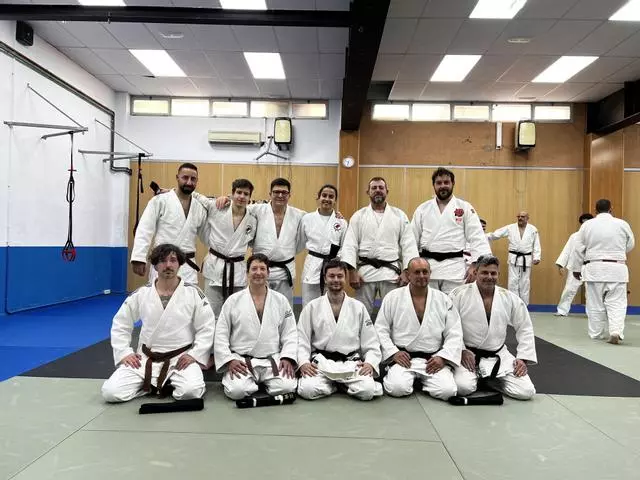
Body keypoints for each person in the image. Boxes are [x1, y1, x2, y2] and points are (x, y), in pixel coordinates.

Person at [102, 244, 215, 403]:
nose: (168, 265)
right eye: (162, 261)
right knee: (110, 392)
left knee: (191, 392)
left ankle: (160, 384)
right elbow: (121, 323)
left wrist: (195, 354)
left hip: (180, 359)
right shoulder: (142, 294)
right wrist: (124, 352)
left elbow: (207, 327)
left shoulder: (194, 293)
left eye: (173, 260)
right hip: (145, 359)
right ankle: (160, 384)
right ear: (155, 265)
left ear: (179, 264)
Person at [450, 255, 537, 400]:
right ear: (475, 272)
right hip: (467, 356)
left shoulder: (508, 297)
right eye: (484, 272)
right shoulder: (459, 294)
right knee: (463, 388)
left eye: (493, 273)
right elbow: (450, 326)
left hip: (498, 355)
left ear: (498, 274)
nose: (489, 277)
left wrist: (523, 358)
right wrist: (462, 350)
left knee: (526, 391)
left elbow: (525, 327)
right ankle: (482, 378)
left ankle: (488, 381)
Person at [375, 257, 462, 401]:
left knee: (448, 391)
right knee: (397, 389)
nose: (421, 276)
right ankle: (412, 379)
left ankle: (419, 381)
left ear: (430, 273)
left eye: (425, 272)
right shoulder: (393, 297)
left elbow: (454, 332)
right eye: (417, 272)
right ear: (408, 274)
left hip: (431, 360)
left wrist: (442, 357)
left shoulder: (443, 299)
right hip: (404, 359)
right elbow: (380, 329)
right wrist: (393, 353)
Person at [213, 254, 298, 400]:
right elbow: (221, 334)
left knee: (287, 387)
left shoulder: (281, 300)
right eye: (254, 269)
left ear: (268, 273)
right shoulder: (233, 301)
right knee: (237, 391)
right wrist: (229, 360)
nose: (258, 272)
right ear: (247, 273)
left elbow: (290, 332)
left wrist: (287, 357)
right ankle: (252, 382)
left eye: (262, 269)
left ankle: (258, 383)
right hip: (242, 361)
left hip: (272, 360)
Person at [297, 259, 383, 401]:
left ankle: (335, 385)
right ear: (325, 278)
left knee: (367, 391)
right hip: (322, 362)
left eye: (340, 276)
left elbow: (370, 340)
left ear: (345, 278)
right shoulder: (312, 307)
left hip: (350, 363)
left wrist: (370, 362)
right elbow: (302, 339)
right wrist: (304, 362)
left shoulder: (358, 307)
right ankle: (339, 386)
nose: (336, 280)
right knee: (307, 390)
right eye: (331, 276)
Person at [217, 178, 305, 307]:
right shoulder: (256, 210)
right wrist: (226, 199)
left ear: (289, 195)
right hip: (260, 270)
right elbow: (239, 205)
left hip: (285, 271)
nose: (280, 195)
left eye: (284, 192)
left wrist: (335, 215)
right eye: (276, 192)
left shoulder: (299, 215)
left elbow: (314, 222)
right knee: (257, 306)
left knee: (284, 307)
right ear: (270, 194)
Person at [340, 177, 418, 315]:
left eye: (381, 188)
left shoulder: (399, 215)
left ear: (387, 191)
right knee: (361, 314)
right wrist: (352, 272)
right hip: (364, 274)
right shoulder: (358, 216)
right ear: (368, 192)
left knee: (393, 313)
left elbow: (409, 244)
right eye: (374, 188)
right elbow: (350, 245)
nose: (378, 190)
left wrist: (407, 271)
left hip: (391, 273)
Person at [412, 168, 491, 294]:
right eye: (439, 183)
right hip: (427, 269)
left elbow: (477, 237)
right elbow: (411, 240)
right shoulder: (422, 209)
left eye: (446, 182)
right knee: (429, 304)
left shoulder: (464, 207)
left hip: (454, 270)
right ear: (433, 185)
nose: (443, 186)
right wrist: (411, 266)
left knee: (453, 304)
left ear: (453, 183)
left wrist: (476, 264)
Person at [569, 199, 635, 344]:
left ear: (595, 210)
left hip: (594, 267)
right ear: (611, 208)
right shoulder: (622, 224)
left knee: (595, 303)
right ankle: (616, 331)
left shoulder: (587, 225)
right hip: (617, 268)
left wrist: (576, 268)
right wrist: (618, 251)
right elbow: (630, 244)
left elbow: (578, 248)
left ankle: (597, 333)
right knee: (617, 303)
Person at [130, 163, 207, 285]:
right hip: (163, 262)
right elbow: (145, 229)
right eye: (185, 177)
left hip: (187, 267)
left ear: (197, 181)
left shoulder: (199, 208)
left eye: (193, 179)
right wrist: (138, 257)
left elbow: (207, 237)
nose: (189, 182)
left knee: (188, 296)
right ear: (177, 178)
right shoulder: (160, 201)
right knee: (160, 296)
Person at [192, 178, 257, 318]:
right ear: (232, 194)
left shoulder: (252, 219)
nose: (242, 196)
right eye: (239, 192)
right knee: (211, 312)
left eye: (246, 194)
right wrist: (171, 191)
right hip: (215, 268)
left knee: (236, 313)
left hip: (237, 271)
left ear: (249, 198)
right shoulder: (217, 207)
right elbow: (195, 195)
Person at [298, 184, 348, 307]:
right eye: (324, 195)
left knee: (332, 304)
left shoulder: (341, 222)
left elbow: (345, 246)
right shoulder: (307, 219)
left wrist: (338, 258)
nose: (327, 199)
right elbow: (300, 241)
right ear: (318, 197)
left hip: (333, 265)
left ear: (335, 200)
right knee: (309, 304)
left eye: (331, 196)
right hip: (312, 265)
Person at [487, 211, 542, 305]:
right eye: (518, 216)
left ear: (527, 218)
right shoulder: (511, 227)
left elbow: (536, 244)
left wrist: (537, 257)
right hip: (513, 258)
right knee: (512, 282)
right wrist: (486, 236)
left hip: (526, 259)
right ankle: (513, 304)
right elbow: (497, 234)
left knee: (525, 283)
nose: (520, 218)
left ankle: (523, 305)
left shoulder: (533, 229)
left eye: (523, 216)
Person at [554, 213, 593, 316]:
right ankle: (562, 310)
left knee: (591, 291)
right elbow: (567, 250)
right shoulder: (575, 236)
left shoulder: (596, 236)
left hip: (591, 266)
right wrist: (561, 265)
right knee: (569, 289)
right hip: (575, 265)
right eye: (583, 223)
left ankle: (592, 313)